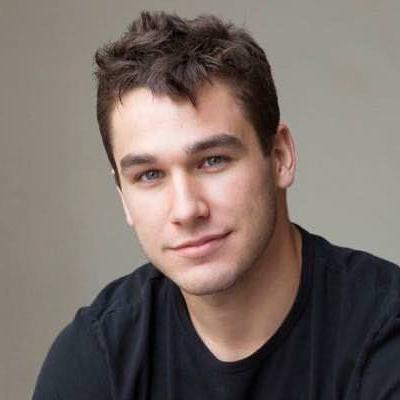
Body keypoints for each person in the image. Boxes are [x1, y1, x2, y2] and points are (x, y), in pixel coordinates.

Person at [33, 11, 400, 400]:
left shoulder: (384, 332)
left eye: (212, 161)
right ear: (123, 196)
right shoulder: (97, 357)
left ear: (279, 156)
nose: (186, 210)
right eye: (149, 175)